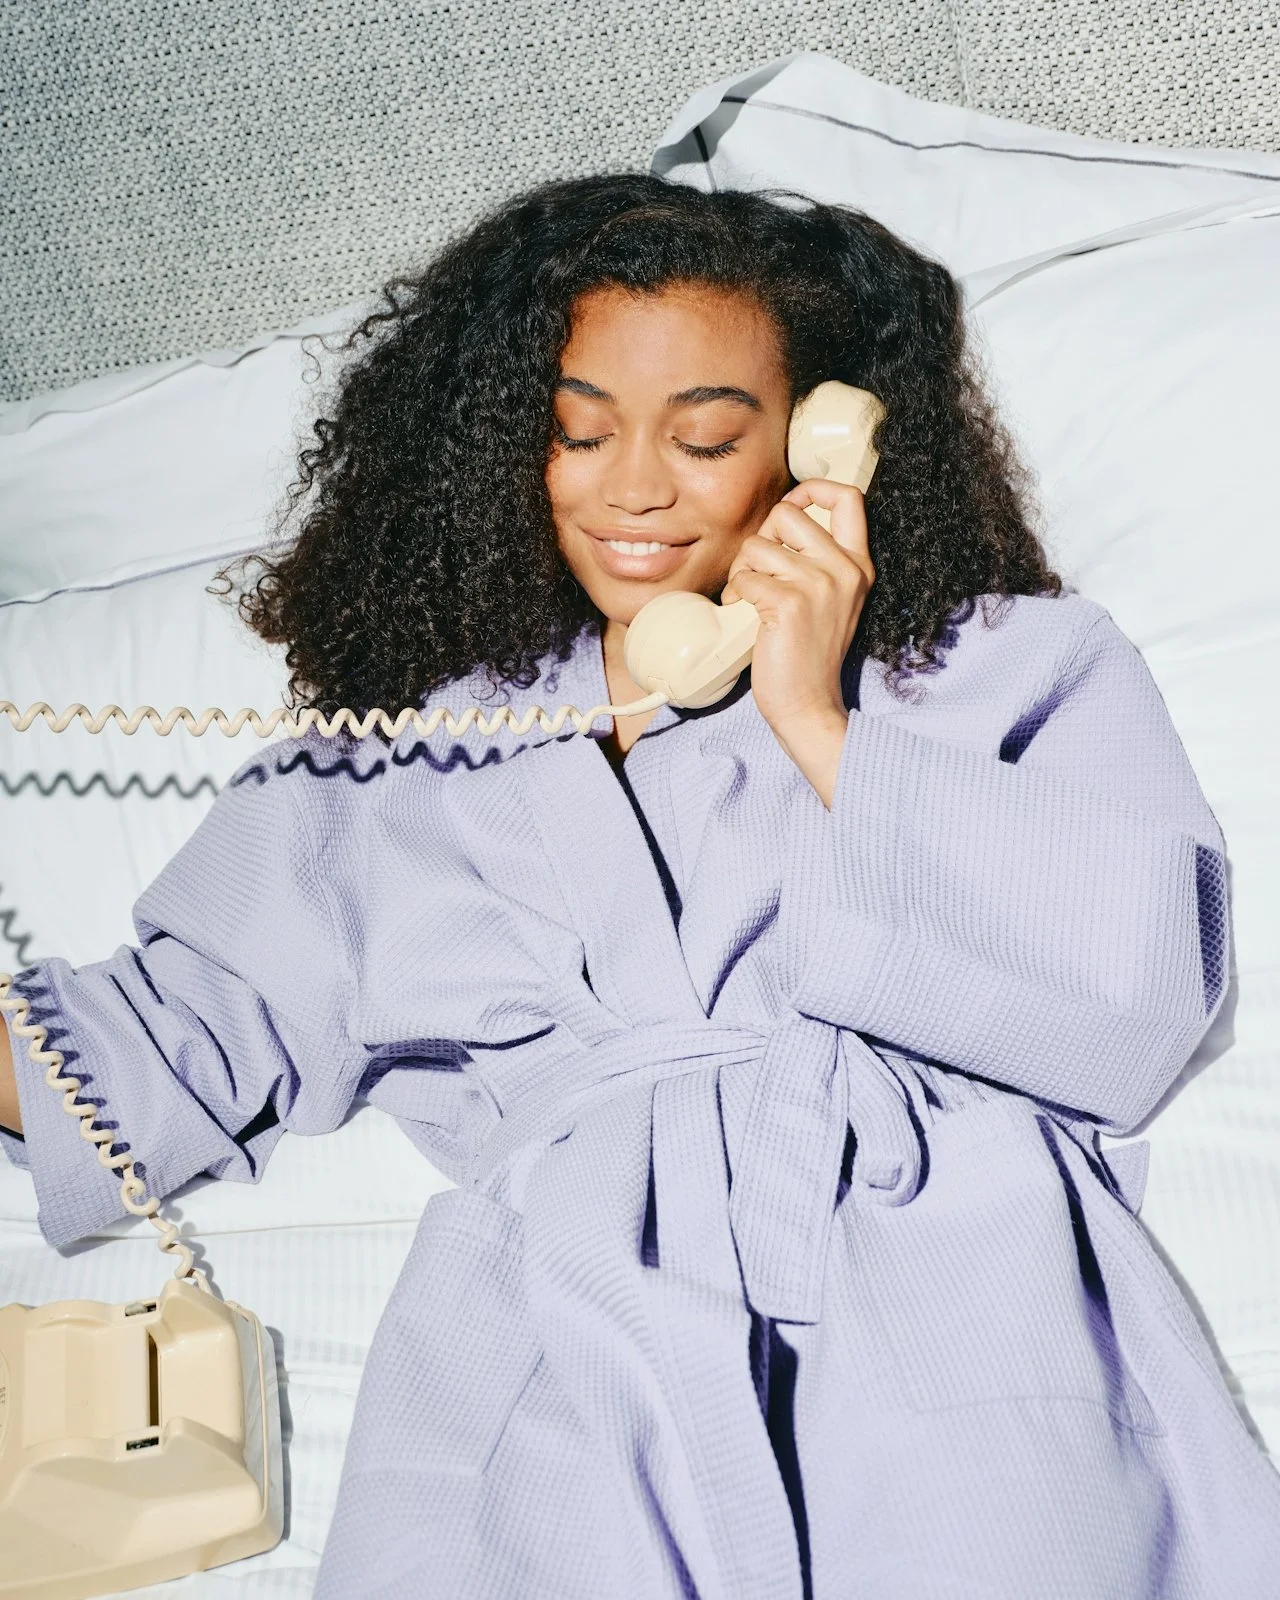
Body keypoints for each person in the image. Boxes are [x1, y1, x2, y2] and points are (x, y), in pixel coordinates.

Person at [2, 173, 1278, 1599]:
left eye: (707, 436)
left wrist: (816, 721)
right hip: (556, 1345)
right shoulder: (390, 774)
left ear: (812, 444)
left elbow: (1143, 987)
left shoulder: (994, 667)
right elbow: (152, 1052)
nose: (633, 488)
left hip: (952, 1294)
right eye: (578, 430)